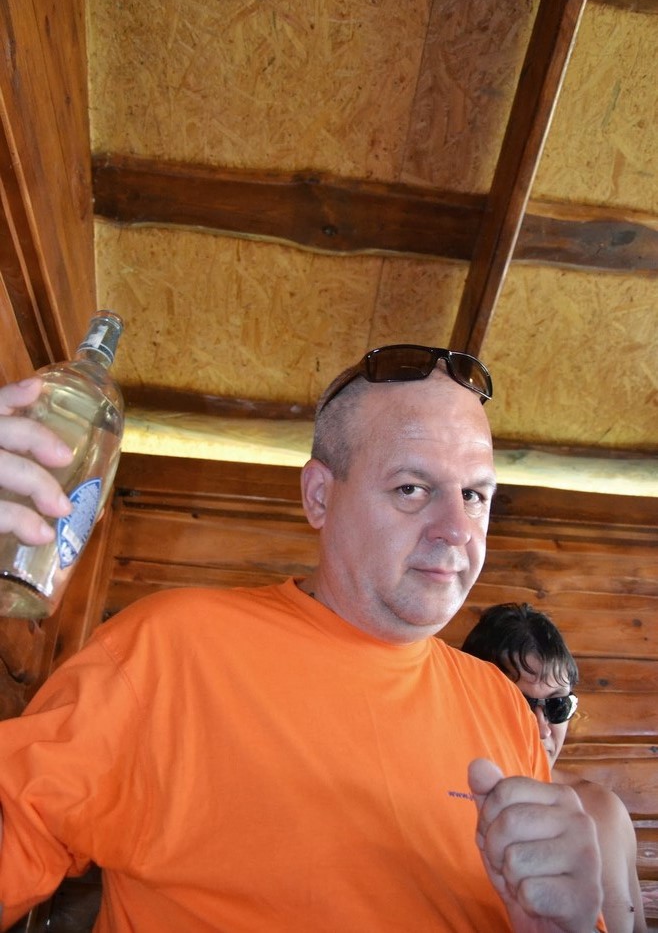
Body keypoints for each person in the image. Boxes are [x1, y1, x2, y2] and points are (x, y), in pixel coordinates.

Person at [0, 346, 605, 932]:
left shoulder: (503, 706)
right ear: (319, 496)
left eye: (473, 495)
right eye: (412, 489)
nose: (456, 530)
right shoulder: (168, 649)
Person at [461, 602, 646, 933]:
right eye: (518, 705)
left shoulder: (604, 808)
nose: (542, 729)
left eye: (558, 705)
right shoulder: (450, 805)